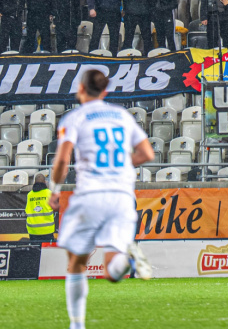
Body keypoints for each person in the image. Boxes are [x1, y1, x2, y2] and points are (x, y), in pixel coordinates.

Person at [49, 68, 154, 329]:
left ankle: (76, 325)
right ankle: (127, 259)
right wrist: (119, 167)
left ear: (80, 90)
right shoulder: (122, 116)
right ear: (105, 91)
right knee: (111, 271)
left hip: (91, 194)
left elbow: (63, 160)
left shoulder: (74, 118)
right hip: (121, 196)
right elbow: (147, 154)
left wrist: (54, 189)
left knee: (77, 262)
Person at [26, 172, 56, 243]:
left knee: (35, 252)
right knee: (47, 252)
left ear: (34, 182)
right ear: (45, 182)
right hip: (47, 229)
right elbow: (54, 208)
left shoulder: (29, 195)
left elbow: (27, 210)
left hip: (33, 230)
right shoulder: (49, 193)